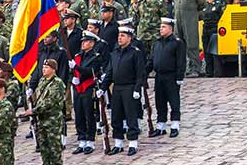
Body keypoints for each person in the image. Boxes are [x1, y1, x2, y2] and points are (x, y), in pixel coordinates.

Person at [101, 27, 146, 155]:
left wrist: (137, 88)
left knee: (130, 115)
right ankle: (118, 143)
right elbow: (110, 72)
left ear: (129, 38)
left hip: (129, 87)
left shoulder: (135, 53)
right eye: (119, 36)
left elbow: (140, 73)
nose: (119, 38)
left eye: (123, 36)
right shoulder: (114, 53)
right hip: (117, 88)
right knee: (116, 116)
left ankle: (132, 143)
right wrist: (103, 87)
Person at [27, 59, 65, 165]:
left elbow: (49, 102)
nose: (44, 69)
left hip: (52, 119)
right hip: (42, 119)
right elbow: (39, 98)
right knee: (43, 147)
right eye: (43, 67)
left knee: (54, 147)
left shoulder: (57, 83)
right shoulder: (42, 81)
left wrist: (34, 110)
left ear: (53, 69)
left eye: (47, 67)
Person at [148, 18, 186, 138]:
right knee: (160, 101)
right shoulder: (157, 42)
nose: (161, 29)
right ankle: (161, 126)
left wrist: (180, 76)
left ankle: (175, 125)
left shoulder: (177, 42)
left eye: (163, 27)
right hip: (159, 76)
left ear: (170, 29)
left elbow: (181, 61)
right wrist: (143, 72)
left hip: (171, 76)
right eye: (160, 27)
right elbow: (152, 59)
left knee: (174, 101)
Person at [71, 31, 103, 154]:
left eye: (86, 41)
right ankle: (82, 140)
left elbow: (91, 71)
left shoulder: (96, 57)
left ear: (92, 43)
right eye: (83, 42)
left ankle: (90, 140)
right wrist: (72, 78)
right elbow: (72, 72)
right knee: (79, 115)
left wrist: (76, 68)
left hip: (89, 87)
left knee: (89, 114)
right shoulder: (78, 56)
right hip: (78, 88)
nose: (83, 44)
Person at [172, 0, 205, 77]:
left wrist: (194, 16)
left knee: (192, 44)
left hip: (190, 20)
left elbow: (202, 5)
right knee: (179, 45)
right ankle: (182, 68)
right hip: (178, 21)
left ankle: (195, 68)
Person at [202, 0, 225, 77]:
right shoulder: (205, 6)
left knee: (214, 52)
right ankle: (209, 72)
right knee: (206, 51)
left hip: (214, 30)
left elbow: (222, 18)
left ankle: (217, 72)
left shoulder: (218, 6)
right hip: (206, 30)